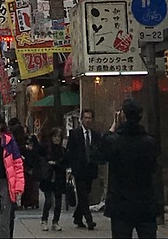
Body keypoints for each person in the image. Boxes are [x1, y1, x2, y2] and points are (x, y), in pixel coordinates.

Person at [94, 98, 159, 239]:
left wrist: (112, 129)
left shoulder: (114, 141)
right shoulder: (149, 142)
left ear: (122, 115)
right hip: (145, 202)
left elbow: (99, 155)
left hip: (120, 203)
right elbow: (154, 168)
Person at [65, 108, 100, 230]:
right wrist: (70, 168)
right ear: (81, 119)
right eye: (85, 118)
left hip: (90, 169)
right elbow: (70, 151)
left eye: (89, 118)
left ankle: (77, 216)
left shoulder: (95, 135)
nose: (87, 120)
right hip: (79, 170)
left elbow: (97, 151)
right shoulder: (75, 134)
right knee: (83, 195)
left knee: (86, 194)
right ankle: (89, 220)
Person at [36, 125, 67, 233]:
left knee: (58, 202)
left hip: (58, 178)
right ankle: (44, 220)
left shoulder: (63, 150)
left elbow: (65, 163)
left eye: (59, 137)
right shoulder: (45, 148)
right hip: (48, 178)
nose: (57, 139)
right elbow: (40, 160)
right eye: (55, 136)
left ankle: (55, 221)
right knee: (48, 201)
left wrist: (56, 163)